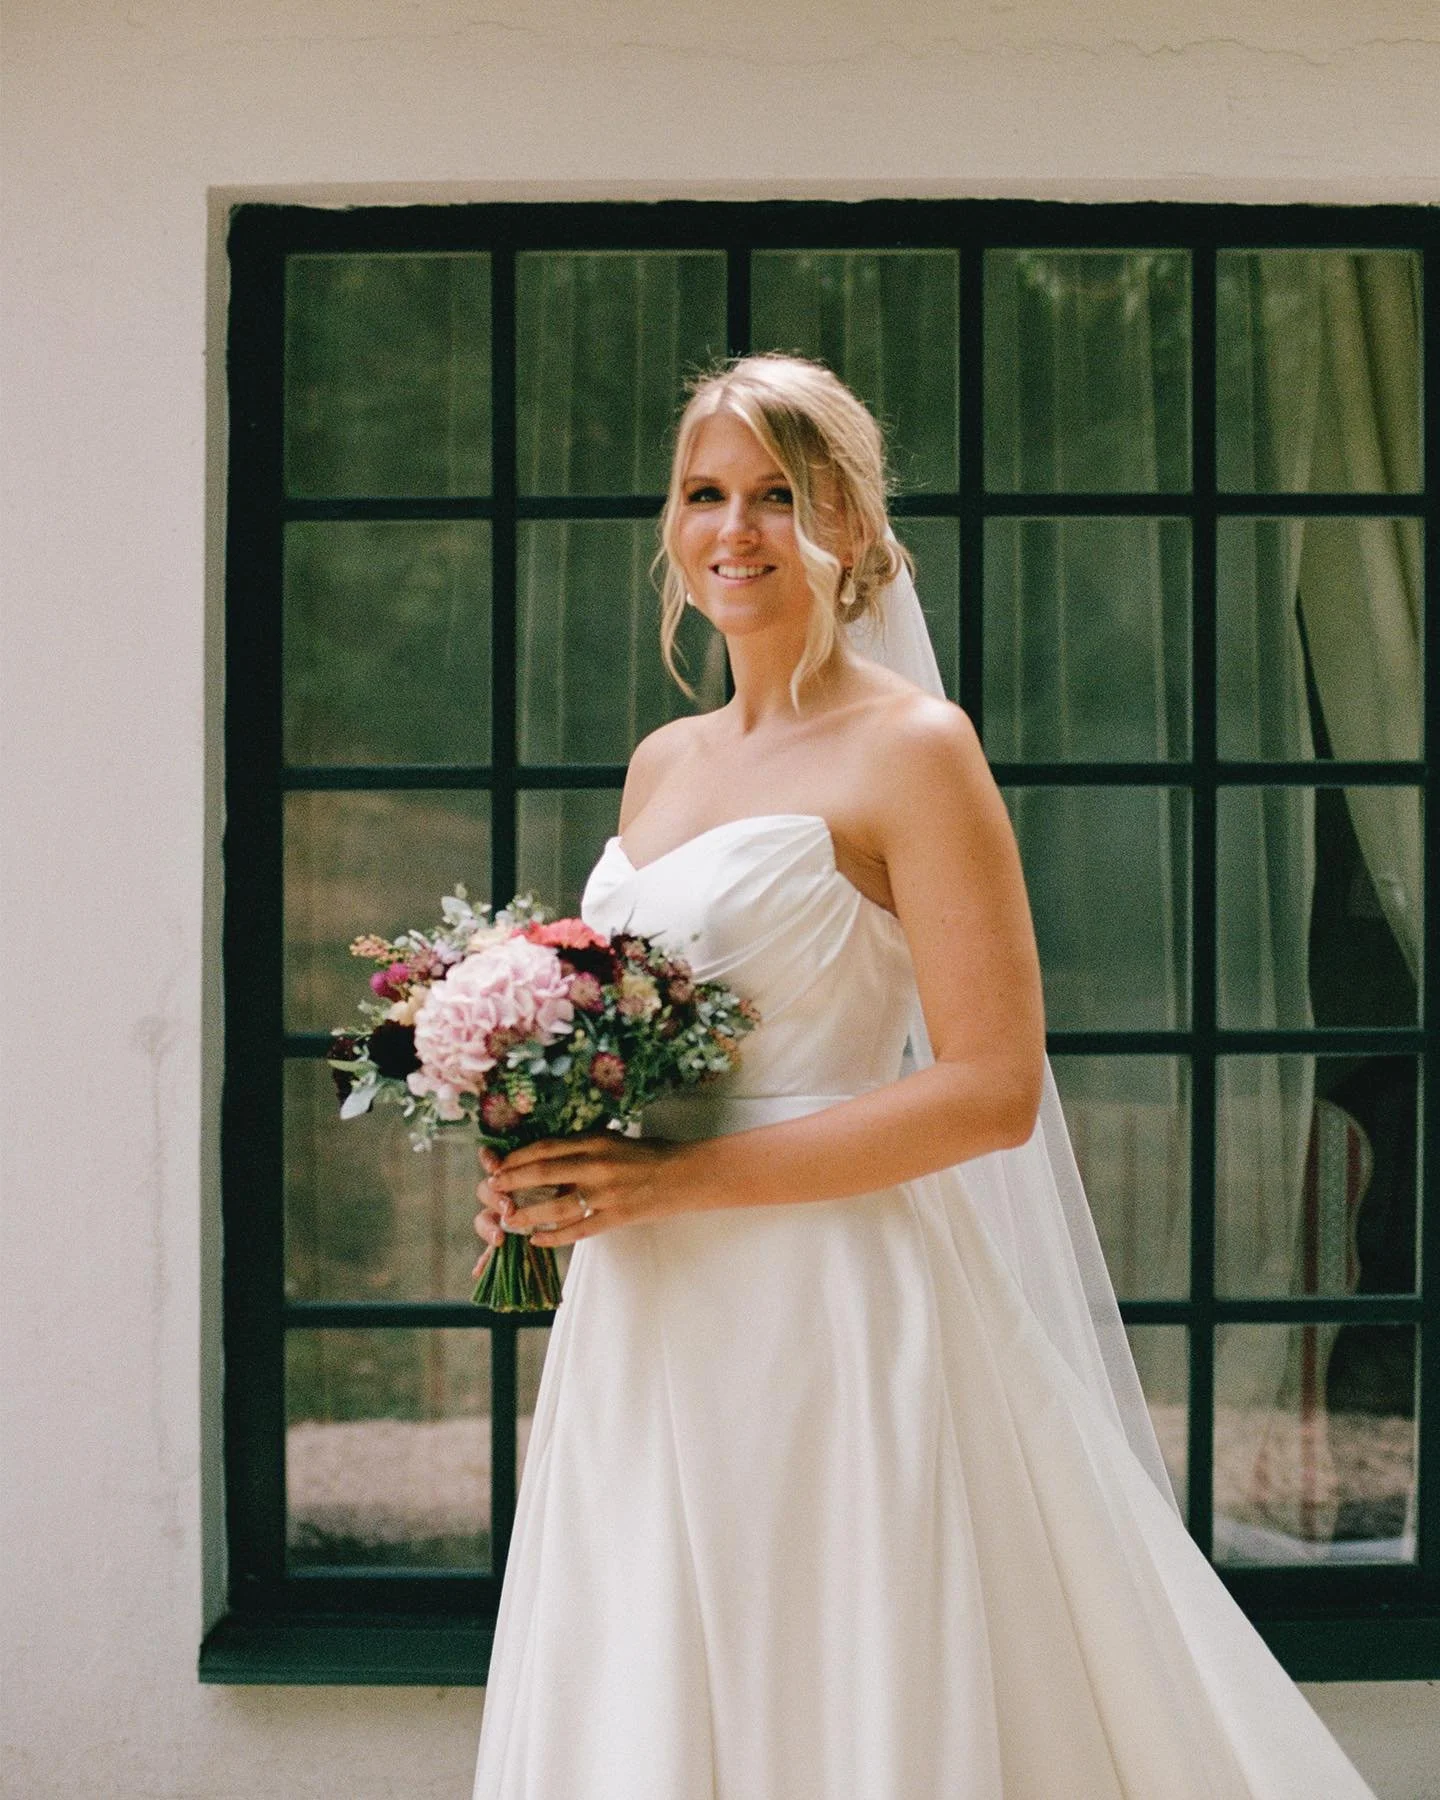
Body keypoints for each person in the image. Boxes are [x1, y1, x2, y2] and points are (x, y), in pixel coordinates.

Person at [468, 354, 1375, 1798]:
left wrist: (676, 1178)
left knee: (832, 1679)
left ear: (852, 526)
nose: (735, 530)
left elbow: (991, 1089)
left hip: (829, 1301)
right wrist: (550, 1168)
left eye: (778, 494)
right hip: (647, 1308)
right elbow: (644, 1044)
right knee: (643, 1677)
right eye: (705, 494)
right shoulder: (663, 766)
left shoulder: (915, 750)